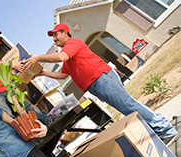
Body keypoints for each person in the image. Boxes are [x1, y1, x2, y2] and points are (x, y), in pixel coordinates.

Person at [25, 23, 178, 143]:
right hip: (96, 84)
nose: (54, 39)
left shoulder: (72, 44)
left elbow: (61, 58)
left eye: (56, 35)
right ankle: (159, 128)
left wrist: (38, 58)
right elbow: (63, 74)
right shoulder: (67, 52)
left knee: (128, 105)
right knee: (126, 107)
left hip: (101, 78)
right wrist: (44, 73)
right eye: (52, 37)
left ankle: (165, 130)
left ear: (65, 33)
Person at [0, 35, 50, 125]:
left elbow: (8, 72)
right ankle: (23, 135)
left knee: (26, 105)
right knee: (9, 116)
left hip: (7, 89)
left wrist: (27, 72)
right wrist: (12, 64)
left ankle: (47, 122)